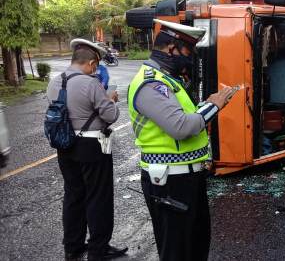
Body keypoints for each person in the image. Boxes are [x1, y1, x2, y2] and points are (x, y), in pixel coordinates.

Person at [128, 19, 236, 261]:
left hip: (186, 178)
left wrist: (205, 106)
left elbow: (185, 116)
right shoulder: (150, 83)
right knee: (177, 250)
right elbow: (181, 127)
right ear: (170, 49)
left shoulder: (168, 80)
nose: (191, 57)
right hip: (169, 181)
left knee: (196, 243)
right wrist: (214, 105)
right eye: (188, 51)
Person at [46, 39, 128, 261]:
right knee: (98, 197)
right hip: (92, 146)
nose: (96, 69)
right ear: (91, 63)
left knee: (73, 195)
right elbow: (110, 116)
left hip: (65, 145)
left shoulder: (55, 82)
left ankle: (73, 246)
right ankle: (98, 249)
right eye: (96, 65)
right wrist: (110, 100)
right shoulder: (90, 84)